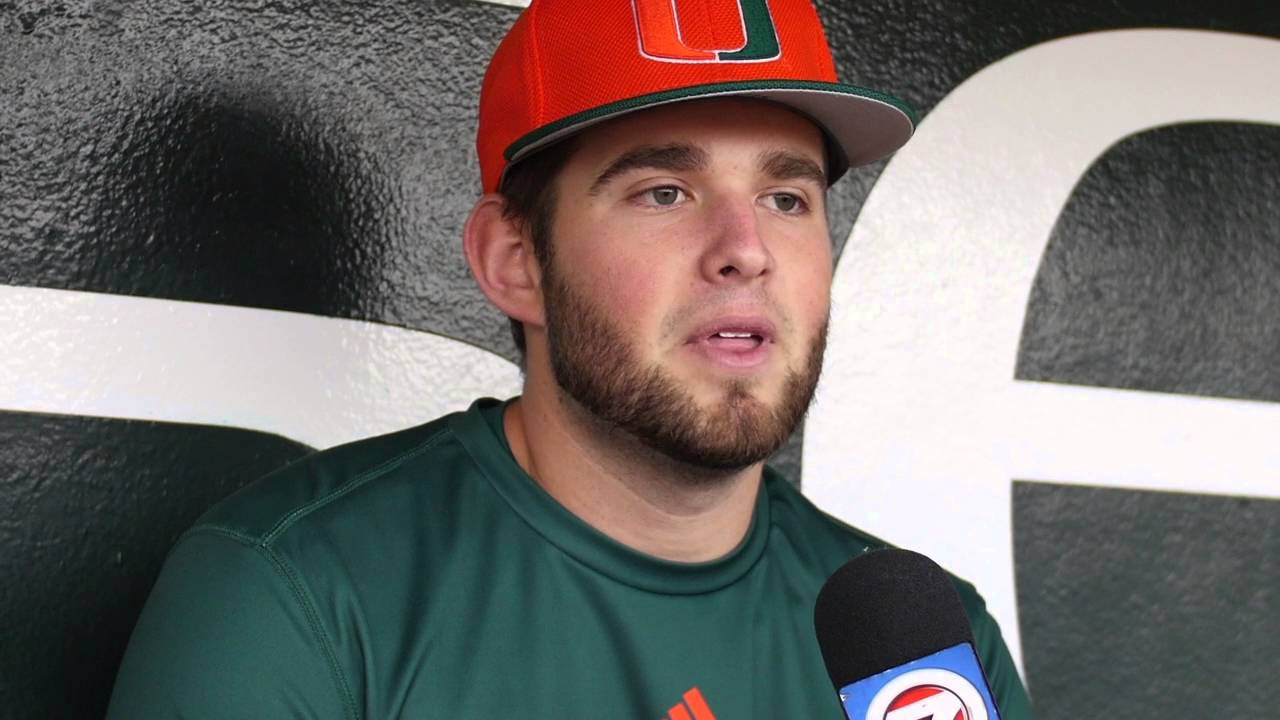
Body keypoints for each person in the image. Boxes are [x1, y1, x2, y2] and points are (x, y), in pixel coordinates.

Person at [108, 0, 1034, 717]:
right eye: (665, 191)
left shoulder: (927, 654)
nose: (745, 248)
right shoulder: (294, 595)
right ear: (516, 262)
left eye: (787, 198)